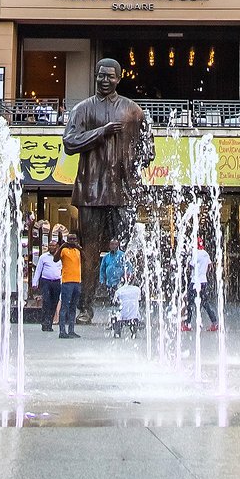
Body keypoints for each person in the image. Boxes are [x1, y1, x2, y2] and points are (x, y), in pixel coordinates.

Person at [61, 59, 154, 322]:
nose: (104, 80)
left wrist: (132, 162)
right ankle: (85, 308)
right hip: (91, 191)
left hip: (122, 192)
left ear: (119, 79)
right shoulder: (82, 109)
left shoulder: (132, 110)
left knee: (127, 250)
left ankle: (129, 307)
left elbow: (149, 149)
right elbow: (69, 142)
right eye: (101, 76)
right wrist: (101, 132)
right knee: (90, 252)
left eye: (110, 76)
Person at [183, 236, 219, 333]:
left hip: (195, 282)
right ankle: (214, 322)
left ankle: (187, 324)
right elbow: (210, 266)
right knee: (205, 303)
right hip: (203, 281)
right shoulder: (206, 253)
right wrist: (204, 272)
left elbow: (190, 266)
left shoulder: (196, 254)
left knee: (189, 302)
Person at [33, 241, 62, 333]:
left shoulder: (61, 257)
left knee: (54, 303)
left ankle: (49, 323)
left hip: (56, 282)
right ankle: (44, 322)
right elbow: (38, 270)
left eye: (53, 246)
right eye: (50, 245)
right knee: (46, 302)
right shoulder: (43, 257)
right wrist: (34, 282)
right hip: (46, 282)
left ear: (57, 247)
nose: (51, 247)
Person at [58, 233, 82, 338]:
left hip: (77, 282)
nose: (72, 241)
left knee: (73, 307)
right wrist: (61, 247)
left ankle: (71, 330)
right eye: (70, 239)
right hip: (67, 282)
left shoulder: (77, 251)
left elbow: (85, 259)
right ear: (67, 240)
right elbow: (55, 259)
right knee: (65, 307)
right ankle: (62, 331)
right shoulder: (64, 250)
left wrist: (80, 248)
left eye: (74, 239)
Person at [99, 237, 125, 305]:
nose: (113, 246)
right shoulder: (106, 257)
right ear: (109, 245)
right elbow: (102, 269)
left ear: (118, 245)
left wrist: (128, 276)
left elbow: (128, 266)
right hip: (109, 282)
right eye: (112, 244)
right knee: (112, 300)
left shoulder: (122, 255)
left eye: (115, 244)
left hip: (120, 282)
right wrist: (102, 280)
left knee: (120, 300)